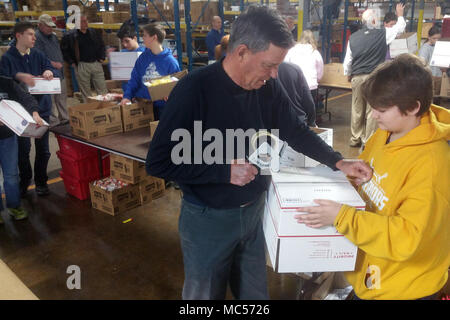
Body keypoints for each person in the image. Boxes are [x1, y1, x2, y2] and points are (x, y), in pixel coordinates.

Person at [145, 6, 372, 300]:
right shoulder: (194, 90)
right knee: (204, 297)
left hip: (253, 214)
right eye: (269, 64)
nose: (275, 73)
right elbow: (159, 161)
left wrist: (337, 160)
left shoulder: (266, 88)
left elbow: (295, 130)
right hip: (208, 219)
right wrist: (223, 171)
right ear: (241, 53)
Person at [294, 54, 450, 300]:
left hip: (404, 288)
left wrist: (341, 216)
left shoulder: (431, 164)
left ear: (413, 107)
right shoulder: (387, 132)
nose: (374, 115)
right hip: (375, 274)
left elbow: (407, 237)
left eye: (382, 109)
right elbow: (372, 184)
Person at [0, 21, 55, 197]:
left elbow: (52, 69)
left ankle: (41, 182)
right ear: (19, 36)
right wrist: (18, 77)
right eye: (30, 34)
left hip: (42, 110)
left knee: (44, 150)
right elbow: (5, 84)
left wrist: (48, 71)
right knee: (23, 152)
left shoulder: (38, 55)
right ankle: (25, 182)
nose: (34, 37)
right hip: (21, 114)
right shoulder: (8, 59)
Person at [343, 3, 406, 148]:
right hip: (374, 78)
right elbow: (399, 28)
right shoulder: (382, 33)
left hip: (357, 77)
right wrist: (400, 14)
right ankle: (368, 140)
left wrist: (348, 74)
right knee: (372, 110)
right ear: (373, 21)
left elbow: (348, 60)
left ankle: (355, 138)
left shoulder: (353, 37)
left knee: (357, 109)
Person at [0, 76, 45, 223]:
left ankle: (14, 206)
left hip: (7, 138)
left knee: (11, 175)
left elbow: (25, 97)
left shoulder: (6, 82)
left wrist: (34, 112)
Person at [120, 23, 180, 120]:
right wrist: (127, 96)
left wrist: (170, 95)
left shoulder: (170, 62)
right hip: (143, 106)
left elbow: (176, 87)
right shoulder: (143, 58)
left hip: (162, 109)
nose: (142, 38)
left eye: (145, 35)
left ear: (154, 37)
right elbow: (134, 79)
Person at [61, 14, 108, 102]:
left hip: (96, 63)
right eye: (83, 21)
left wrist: (102, 57)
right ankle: (89, 108)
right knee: (85, 90)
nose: (86, 23)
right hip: (81, 65)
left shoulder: (93, 32)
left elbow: (102, 45)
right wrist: (72, 62)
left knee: (102, 88)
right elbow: (64, 51)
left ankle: (104, 107)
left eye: (86, 21)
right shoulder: (70, 36)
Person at [34, 14, 69, 127]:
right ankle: (53, 122)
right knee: (50, 100)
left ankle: (64, 118)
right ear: (39, 25)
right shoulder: (36, 38)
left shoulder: (53, 37)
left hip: (60, 73)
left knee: (61, 97)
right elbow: (38, 57)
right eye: (47, 26)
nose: (50, 28)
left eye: (51, 26)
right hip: (47, 74)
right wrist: (53, 64)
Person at [284, 30, 324, 113]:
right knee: (308, 110)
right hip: (310, 86)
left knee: (294, 109)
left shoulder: (292, 51)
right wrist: (317, 80)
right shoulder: (315, 52)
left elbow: (285, 66)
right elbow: (320, 71)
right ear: (313, 39)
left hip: (294, 85)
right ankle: (307, 125)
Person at [277, 62, 316, 126]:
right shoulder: (293, 68)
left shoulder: (260, 70)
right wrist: (312, 122)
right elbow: (308, 100)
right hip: (297, 121)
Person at [116, 26, 146, 92]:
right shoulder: (122, 53)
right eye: (122, 42)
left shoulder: (144, 53)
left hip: (140, 91)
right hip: (126, 90)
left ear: (135, 38)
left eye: (127, 41)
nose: (125, 45)